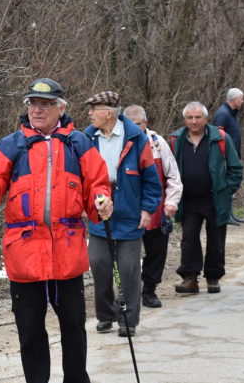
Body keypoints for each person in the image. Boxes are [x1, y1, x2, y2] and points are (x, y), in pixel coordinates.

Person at [0, 78, 113, 383]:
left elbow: (97, 187)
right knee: (30, 332)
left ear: (61, 108)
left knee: (73, 327)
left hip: (67, 256)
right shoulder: (10, 145)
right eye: (33, 104)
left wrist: (104, 203)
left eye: (45, 105)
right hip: (25, 257)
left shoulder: (80, 143)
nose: (37, 110)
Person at [84, 92, 162, 338]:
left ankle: (128, 320)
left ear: (108, 112)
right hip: (98, 214)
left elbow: (152, 180)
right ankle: (105, 315)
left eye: (93, 109)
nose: (89, 113)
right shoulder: (86, 138)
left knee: (127, 269)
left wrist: (148, 209)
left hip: (129, 214)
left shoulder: (137, 139)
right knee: (99, 263)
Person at [168, 102, 243, 295]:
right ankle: (190, 278)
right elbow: (170, 169)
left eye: (198, 117)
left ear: (206, 118)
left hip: (215, 199)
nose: (194, 121)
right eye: (190, 118)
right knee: (188, 239)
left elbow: (236, 168)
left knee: (216, 240)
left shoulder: (220, 138)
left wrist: (226, 190)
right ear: (185, 119)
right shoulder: (176, 139)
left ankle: (213, 277)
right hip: (188, 201)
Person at [123, 104, 183, 308]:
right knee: (126, 254)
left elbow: (173, 176)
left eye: (138, 124)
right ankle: (125, 292)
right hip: (127, 210)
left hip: (156, 209)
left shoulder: (158, 144)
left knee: (156, 251)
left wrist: (171, 203)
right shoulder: (118, 144)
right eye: (130, 124)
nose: (134, 128)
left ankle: (149, 289)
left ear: (145, 123)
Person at [212, 88, 244, 225]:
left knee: (231, 185)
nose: (243, 101)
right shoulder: (223, 114)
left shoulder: (232, 114)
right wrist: (222, 157)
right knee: (226, 187)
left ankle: (230, 214)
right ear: (234, 99)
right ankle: (226, 215)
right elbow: (217, 136)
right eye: (241, 99)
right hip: (224, 157)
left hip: (232, 157)